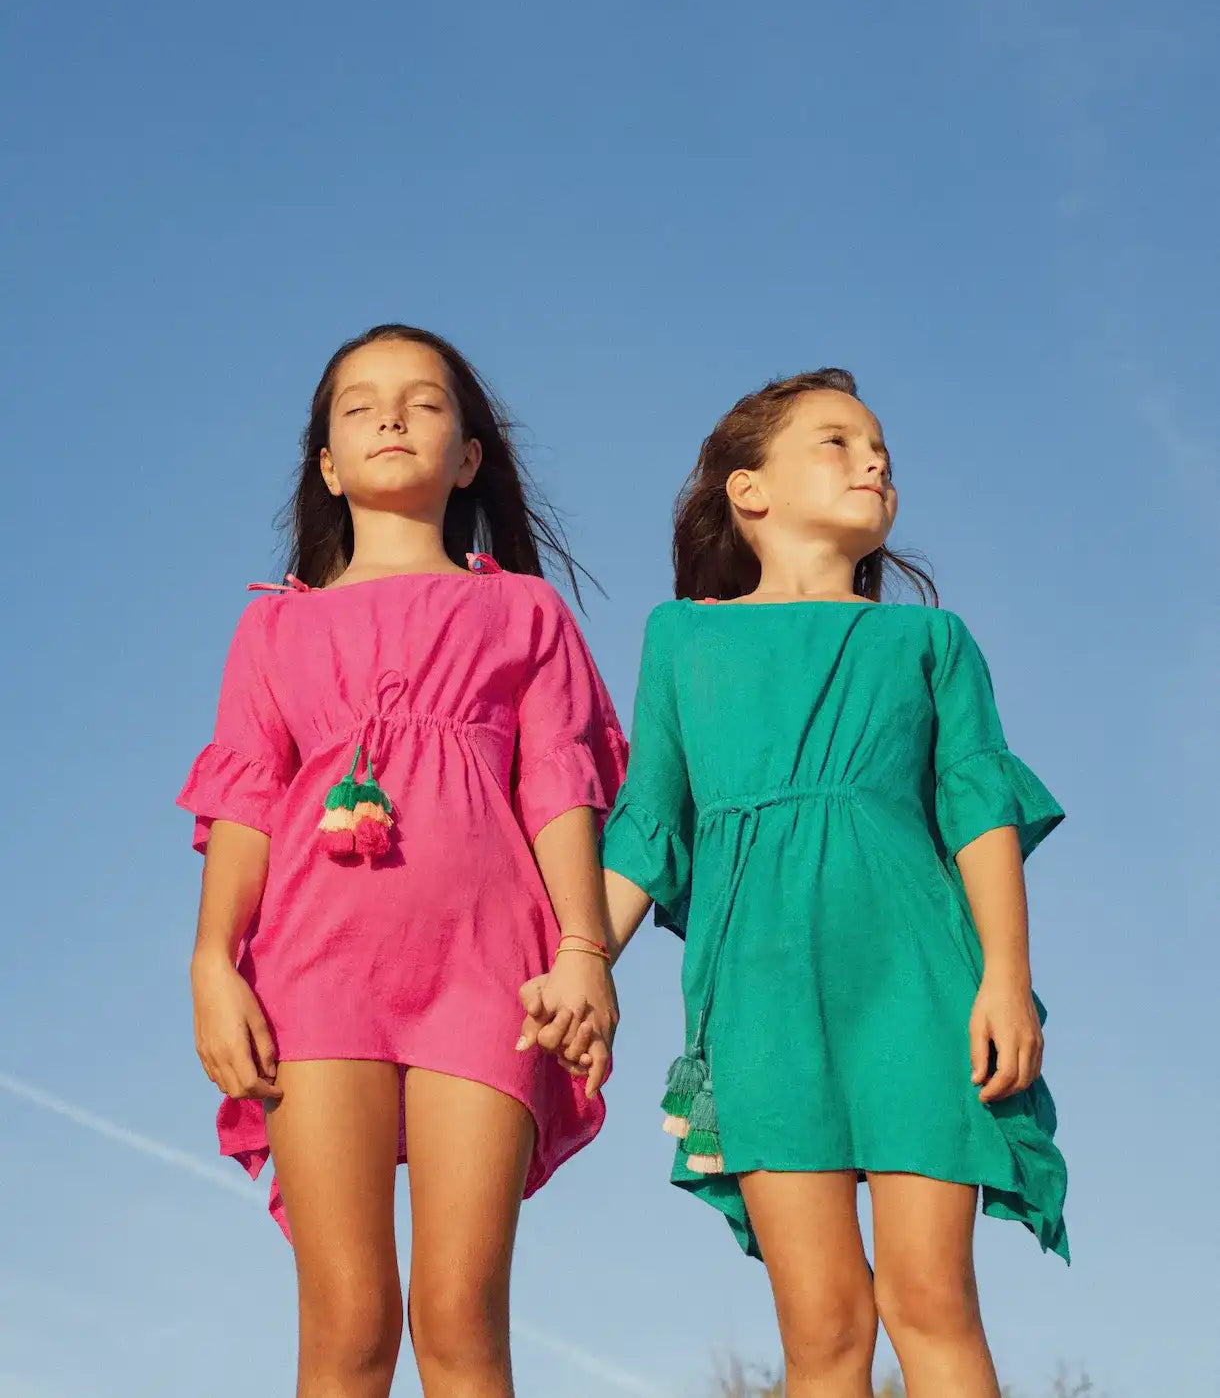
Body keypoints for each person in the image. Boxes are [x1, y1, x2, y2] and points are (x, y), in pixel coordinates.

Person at [523, 369, 1068, 1398]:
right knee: (819, 1326)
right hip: (757, 1001)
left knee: (930, 1300)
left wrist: (1004, 974)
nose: (873, 463)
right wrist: (580, 959)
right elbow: (646, 829)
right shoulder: (680, 637)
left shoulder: (929, 641)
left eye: (883, 456)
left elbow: (976, 809)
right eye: (837, 442)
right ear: (747, 490)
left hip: (916, 986)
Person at [179, 324, 626, 1398]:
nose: (391, 416)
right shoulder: (273, 631)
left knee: (460, 1320)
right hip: (311, 979)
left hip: (486, 978)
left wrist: (583, 951)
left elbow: (558, 782)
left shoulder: (521, 609)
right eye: (359, 404)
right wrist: (211, 963)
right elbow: (241, 800)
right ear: (327, 465)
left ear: (468, 456)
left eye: (424, 403)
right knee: (347, 1324)